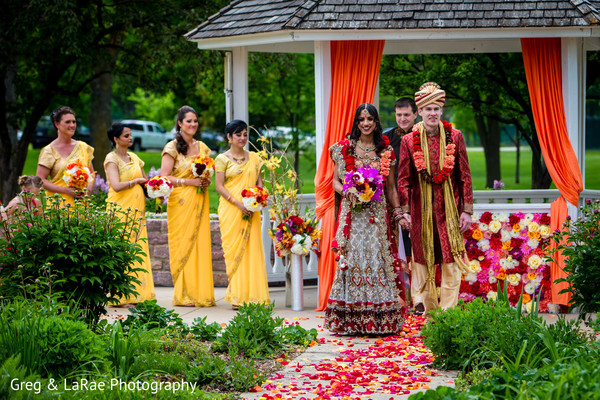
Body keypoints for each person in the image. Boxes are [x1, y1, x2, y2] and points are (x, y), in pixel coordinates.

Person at [325, 103, 405, 336]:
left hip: (377, 216)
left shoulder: (384, 150)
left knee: (377, 258)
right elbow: (335, 182)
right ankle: (350, 320)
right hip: (353, 214)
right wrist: (348, 192)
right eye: (361, 119)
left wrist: (398, 212)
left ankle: (379, 320)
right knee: (353, 259)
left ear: (376, 122)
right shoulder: (344, 149)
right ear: (356, 122)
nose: (366, 123)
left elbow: (390, 188)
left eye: (370, 119)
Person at [397, 82, 473, 316]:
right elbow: (404, 179)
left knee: (450, 259)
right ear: (419, 111)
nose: (432, 113)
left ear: (441, 111)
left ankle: (448, 312)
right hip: (420, 210)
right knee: (421, 257)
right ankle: (426, 308)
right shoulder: (409, 141)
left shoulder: (455, 137)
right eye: (427, 109)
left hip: (449, 210)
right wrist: (405, 210)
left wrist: (466, 210)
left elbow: (464, 175)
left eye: (436, 109)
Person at [161, 105, 215, 307]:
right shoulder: (171, 147)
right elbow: (164, 176)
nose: (193, 124)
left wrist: (205, 181)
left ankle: (200, 293)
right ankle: (184, 295)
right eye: (189, 121)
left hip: (200, 199)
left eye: (195, 120)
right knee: (184, 245)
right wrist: (189, 182)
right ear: (180, 123)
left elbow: (206, 174)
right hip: (180, 202)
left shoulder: (203, 148)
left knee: (199, 245)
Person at [214, 120, 270, 309]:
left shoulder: (254, 158)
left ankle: (254, 295)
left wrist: (257, 200)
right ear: (229, 137)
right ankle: (238, 296)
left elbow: (259, 183)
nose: (242, 138)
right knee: (233, 252)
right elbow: (219, 187)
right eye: (238, 134)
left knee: (252, 250)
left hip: (251, 209)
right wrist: (239, 204)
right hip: (231, 210)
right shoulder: (222, 159)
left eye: (245, 134)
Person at [104, 123, 156, 306]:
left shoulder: (134, 157)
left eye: (130, 135)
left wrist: (156, 188)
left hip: (137, 211)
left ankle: (139, 294)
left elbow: (145, 183)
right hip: (120, 210)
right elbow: (116, 186)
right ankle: (121, 296)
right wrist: (135, 181)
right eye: (126, 136)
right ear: (116, 139)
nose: (130, 138)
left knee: (137, 249)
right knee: (123, 249)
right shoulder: (111, 159)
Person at [383, 97, 424, 314]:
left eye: (406, 114)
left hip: (418, 202)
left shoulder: (423, 136)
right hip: (393, 204)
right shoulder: (387, 140)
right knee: (394, 250)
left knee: (416, 250)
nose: (402, 119)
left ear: (415, 113)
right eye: (399, 115)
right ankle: (397, 297)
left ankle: (418, 297)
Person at [36, 107, 95, 204]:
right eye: (67, 122)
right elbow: (40, 179)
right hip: (59, 205)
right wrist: (66, 191)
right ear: (57, 124)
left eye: (74, 122)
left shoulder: (83, 147)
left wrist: (87, 191)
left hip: (82, 205)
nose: (72, 125)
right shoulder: (48, 151)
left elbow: (92, 174)